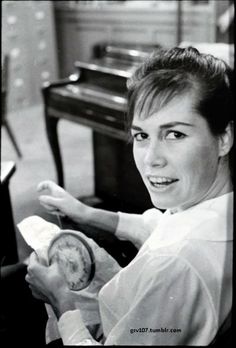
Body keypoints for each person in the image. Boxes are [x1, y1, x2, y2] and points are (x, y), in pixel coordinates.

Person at [25, 46, 234, 345]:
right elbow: (161, 226)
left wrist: (61, 303)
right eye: (141, 135)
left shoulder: (174, 266)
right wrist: (84, 212)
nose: (150, 159)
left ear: (224, 138)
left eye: (174, 134)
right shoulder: (210, 205)